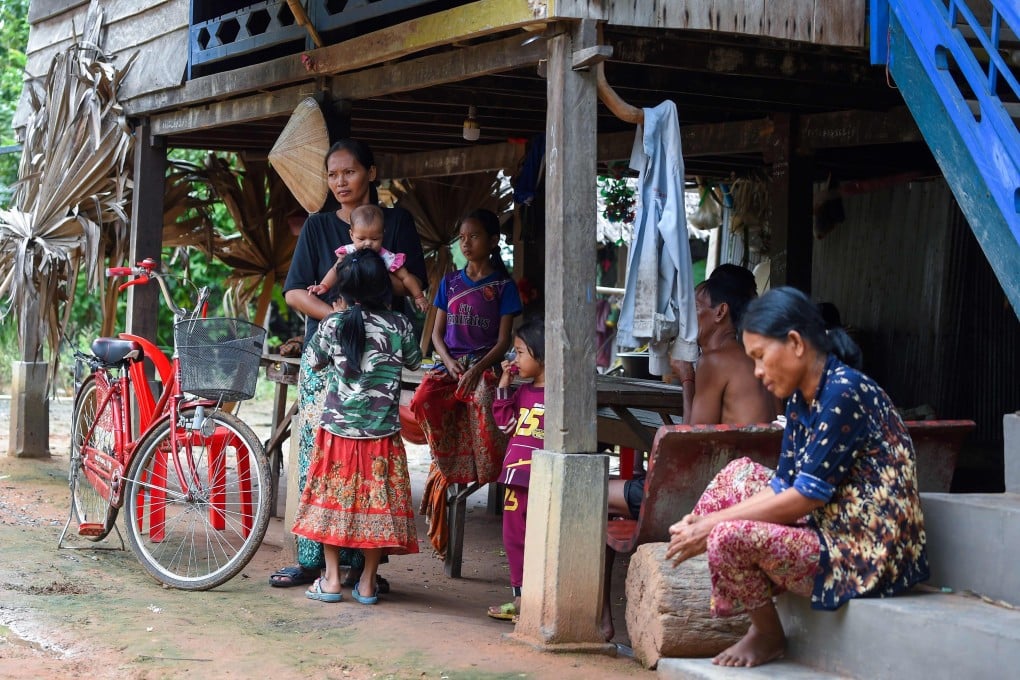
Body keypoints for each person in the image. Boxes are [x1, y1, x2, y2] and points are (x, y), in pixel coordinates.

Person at [666, 286, 928, 667]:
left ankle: (767, 634)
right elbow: (782, 485)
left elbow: (806, 496)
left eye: (760, 357)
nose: (757, 371)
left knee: (727, 534)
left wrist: (712, 525)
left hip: (865, 553)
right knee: (737, 474)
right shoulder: (803, 398)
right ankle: (727, 589)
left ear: (794, 343)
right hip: (829, 524)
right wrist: (705, 519)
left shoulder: (843, 392)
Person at [271, 138, 427, 590]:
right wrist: (340, 318)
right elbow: (297, 291)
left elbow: (409, 283)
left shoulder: (397, 225)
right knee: (320, 462)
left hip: (374, 356)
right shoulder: (319, 227)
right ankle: (311, 560)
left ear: (372, 173)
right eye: (332, 174)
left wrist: (368, 310)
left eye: (350, 172)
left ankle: (361, 567)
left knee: (368, 469)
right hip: (330, 356)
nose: (340, 182)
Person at [602, 271, 778, 641]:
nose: (689, 317)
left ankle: (601, 617)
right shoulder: (762, 358)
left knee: (595, 491)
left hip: (699, 494)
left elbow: (689, 442)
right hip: (755, 491)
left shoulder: (717, 360)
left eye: (697, 308)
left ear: (721, 312)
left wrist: (686, 379)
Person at [292, 249, 421, 603]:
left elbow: (316, 363)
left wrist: (335, 318)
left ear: (344, 290)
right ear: (384, 287)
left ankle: (331, 581)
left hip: (337, 435)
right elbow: (414, 360)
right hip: (381, 435)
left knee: (330, 505)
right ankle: (366, 582)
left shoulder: (333, 324)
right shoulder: (399, 325)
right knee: (376, 508)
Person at [409, 208, 523, 557]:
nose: (466, 242)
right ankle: (444, 459)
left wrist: (476, 370)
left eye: (473, 236)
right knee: (422, 399)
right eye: (462, 237)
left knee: (485, 404)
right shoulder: (450, 282)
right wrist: (448, 361)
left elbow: (504, 341)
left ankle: (474, 468)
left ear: (492, 241)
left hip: (485, 364)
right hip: (452, 364)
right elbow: (438, 336)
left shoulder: (503, 287)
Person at [486, 319, 545, 622]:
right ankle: (520, 597)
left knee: (540, 539)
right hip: (515, 478)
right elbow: (507, 426)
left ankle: (539, 598)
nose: (515, 359)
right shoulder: (522, 393)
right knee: (514, 538)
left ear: (543, 355)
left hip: (542, 480)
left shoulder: (560, 398)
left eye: (521, 352)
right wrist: (503, 389)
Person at [307, 204, 429, 312]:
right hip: (351, 308)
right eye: (361, 239)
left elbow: (406, 277)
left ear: (383, 234)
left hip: (380, 309)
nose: (368, 243)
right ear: (352, 235)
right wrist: (324, 285)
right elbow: (335, 269)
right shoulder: (348, 252)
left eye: (375, 239)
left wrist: (419, 296)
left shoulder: (387, 258)